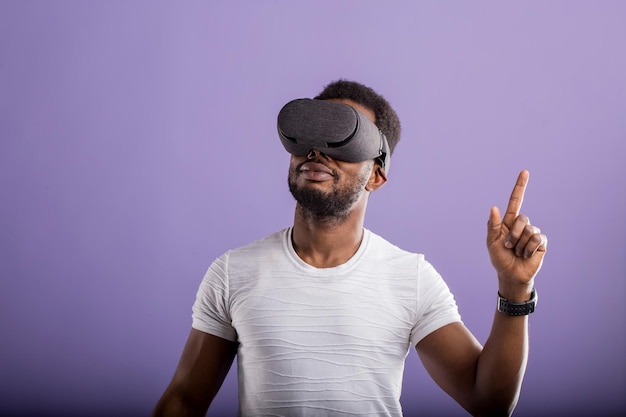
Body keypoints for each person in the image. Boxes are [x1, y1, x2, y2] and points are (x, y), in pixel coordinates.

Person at [152, 80, 548, 417]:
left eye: (342, 138)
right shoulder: (233, 272)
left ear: (376, 175)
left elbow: (489, 402)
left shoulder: (410, 278)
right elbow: (184, 401)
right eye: (307, 134)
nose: (316, 152)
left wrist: (514, 290)